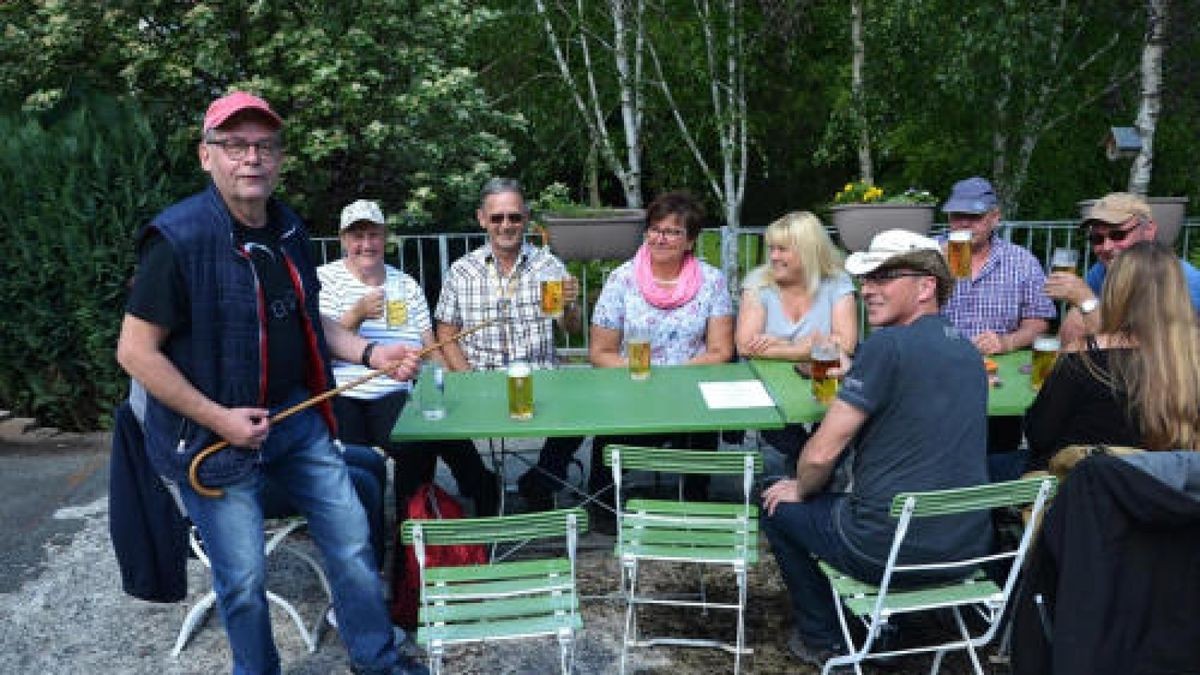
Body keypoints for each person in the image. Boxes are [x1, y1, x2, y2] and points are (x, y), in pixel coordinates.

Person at [115, 91, 427, 675]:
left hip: (293, 418)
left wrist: (370, 350)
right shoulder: (176, 239)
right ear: (207, 156)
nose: (251, 157)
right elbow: (135, 352)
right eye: (235, 145)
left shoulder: (287, 229)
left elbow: (310, 319)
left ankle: (377, 659)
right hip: (212, 440)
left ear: (280, 158)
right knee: (243, 581)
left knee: (354, 542)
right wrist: (218, 417)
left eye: (263, 146)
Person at [761, 229, 991, 668]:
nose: (868, 288)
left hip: (886, 550)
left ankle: (824, 637)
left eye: (884, 277)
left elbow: (820, 455)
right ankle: (895, 624)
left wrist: (802, 489)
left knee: (776, 502)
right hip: (966, 548)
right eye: (866, 279)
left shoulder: (886, 346)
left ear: (926, 287)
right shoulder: (967, 350)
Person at [587, 191, 735, 533]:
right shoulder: (621, 280)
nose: (660, 238)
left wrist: (674, 377)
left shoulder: (712, 281)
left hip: (692, 390)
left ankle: (695, 501)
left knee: (701, 423)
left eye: (672, 232)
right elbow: (600, 353)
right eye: (654, 229)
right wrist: (645, 375)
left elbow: (720, 351)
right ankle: (603, 505)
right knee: (610, 431)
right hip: (634, 388)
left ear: (691, 241)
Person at [432, 178, 584, 512]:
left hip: (541, 375)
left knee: (586, 410)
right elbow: (446, 332)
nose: (506, 225)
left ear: (526, 218)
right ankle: (481, 485)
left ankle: (541, 480)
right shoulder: (462, 271)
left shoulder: (548, 265)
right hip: (481, 376)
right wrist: (467, 378)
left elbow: (569, 328)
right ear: (482, 219)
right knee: (437, 423)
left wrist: (572, 306)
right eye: (497, 217)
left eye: (514, 217)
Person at [317, 198, 445, 558]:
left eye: (373, 234)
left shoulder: (405, 284)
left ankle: (410, 538)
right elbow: (314, 354)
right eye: (357, 236)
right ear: (343, 240)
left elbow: (431, 347)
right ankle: (365, 550)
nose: (366, 244)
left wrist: (429, 373)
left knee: (420, 444)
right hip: (343, 389)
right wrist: (356, 315)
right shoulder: (323, 280)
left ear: (385, 237)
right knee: (355, 464)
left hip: (393, 388)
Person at [1024, 241, 1200, 472]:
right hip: (1165, 495)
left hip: (1080, 494)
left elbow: (1039, 435)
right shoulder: (1190, 359)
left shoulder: (1083, 355)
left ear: (1116, 290)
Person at [938, 176, 1055, 479]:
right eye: (956, 216)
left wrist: (1007, 342)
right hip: (940, 374)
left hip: (998, 381)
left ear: (995, 218)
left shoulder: (1021, 261)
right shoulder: (931, 257)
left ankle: (993, 508)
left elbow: (1039, 320)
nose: (963, 224)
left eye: (973, 217)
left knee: (998, 449)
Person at [736, 211, 857, 466]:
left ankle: (811, 471)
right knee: (774, 420)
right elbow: (745, 345)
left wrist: (781, 346)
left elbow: (845, 343)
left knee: (841, 415)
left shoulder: (837, 283)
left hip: (824, 380)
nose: (773, 257)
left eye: (782, 249)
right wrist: (810, 345)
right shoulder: (759, 283)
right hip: (766, 382)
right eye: (772, 248)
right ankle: (813, 468)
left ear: (808, 250)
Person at [1046, 191, 1200, 348]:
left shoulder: (1181, 278)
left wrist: (1087, 302)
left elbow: (1157, 352)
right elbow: (1074, 328)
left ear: (1149, 231)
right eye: (1097, 239)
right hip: (1117, 367)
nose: (1106, 247)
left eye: (1118, 235)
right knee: (1076, 316)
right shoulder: (1101, 271)